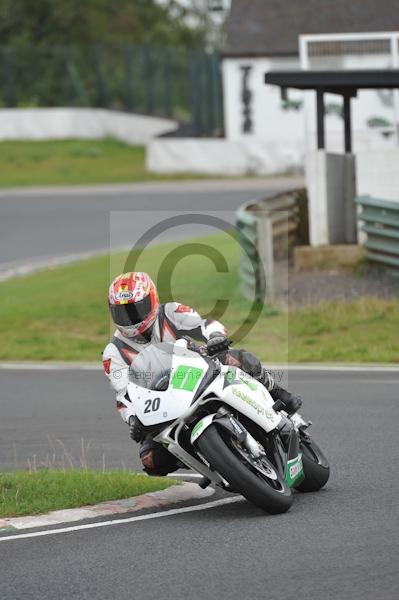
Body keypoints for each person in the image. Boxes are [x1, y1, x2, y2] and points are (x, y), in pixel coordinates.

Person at [103, 271, 302, 476]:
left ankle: (279, 394)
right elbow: (123, 395)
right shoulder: (113, 352)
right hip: (161, 402)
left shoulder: (170, 311)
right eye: (122, 312)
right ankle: (205, 457)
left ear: (152, 301)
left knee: (238, 359)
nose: (130, 318)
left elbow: (204, 324)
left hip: (197, 371)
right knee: (151, 460)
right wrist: (134, 420)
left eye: (136, 309)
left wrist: (215, 337)